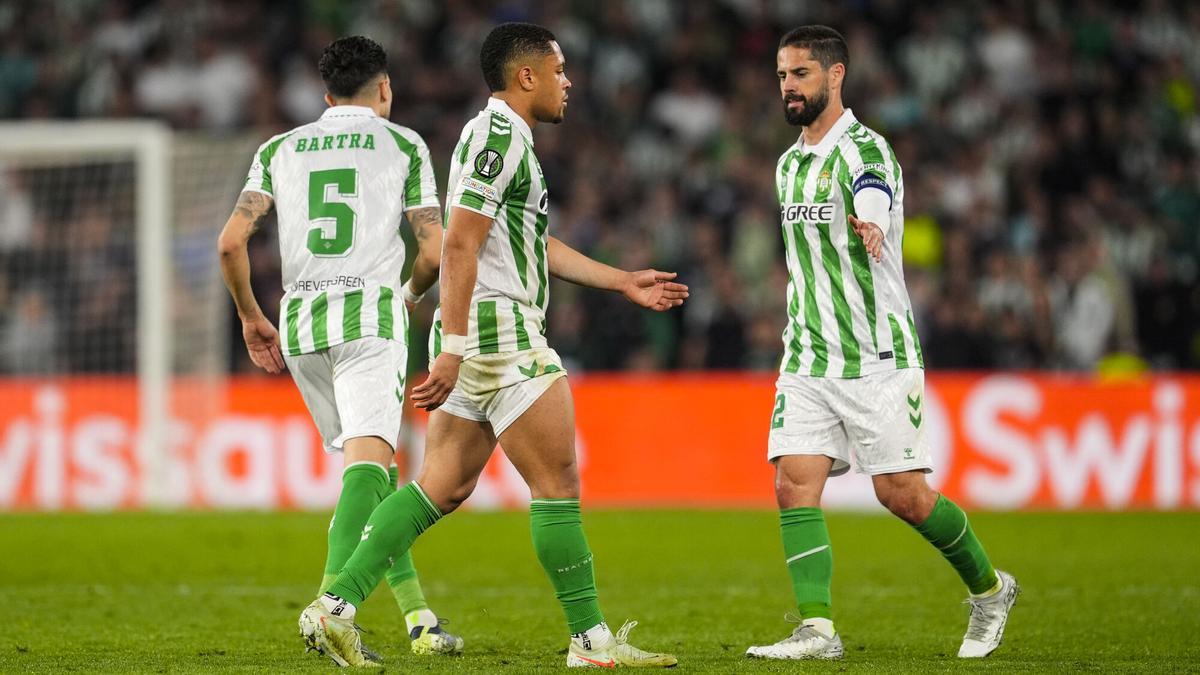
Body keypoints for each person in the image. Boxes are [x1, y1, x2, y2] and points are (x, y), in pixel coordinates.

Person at [298, 22, 687, 669]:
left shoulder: (508, 142)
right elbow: (458, 240)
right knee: (558, 480)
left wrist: (621, 279)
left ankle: (333, 605)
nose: (569, 83)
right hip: (498, 333)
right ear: (525, 75)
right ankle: (591, 642)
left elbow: (525, 243)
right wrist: (450, 347)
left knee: (439, 488)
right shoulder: (498, 136)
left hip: (478, 333)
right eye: (559, 71)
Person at [745, 25, 1018, 661]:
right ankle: (816, 630)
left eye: (801, 75)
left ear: (835, 76)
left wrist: (870, 215)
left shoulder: (867, 150)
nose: (788, 87)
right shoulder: (788, 164)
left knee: (903, 495)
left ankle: (989, 589)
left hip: (876, 356)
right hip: (808, 353)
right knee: (792, 481)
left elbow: (875, 188)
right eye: (783, 75)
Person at [216, 35, 462, 664]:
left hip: (299, 327)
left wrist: (251, 317)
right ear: (384, 88)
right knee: (370, 468)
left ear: (325, 96)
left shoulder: (278, 149)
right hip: (368, 323)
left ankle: (420, 621)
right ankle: (331, 609)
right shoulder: (404, 143)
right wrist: (406, 293)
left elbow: (229, 243)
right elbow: (434, 251)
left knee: (375, 477)